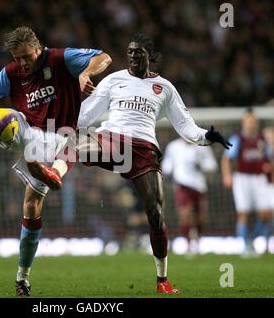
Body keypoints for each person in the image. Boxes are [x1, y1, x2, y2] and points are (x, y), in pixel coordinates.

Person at [28, 33, 232, 294]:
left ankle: (162, 280)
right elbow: (86, 113)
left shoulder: (165, 87)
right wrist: (53, 124)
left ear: (150, 55)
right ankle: (54, 173)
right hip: (112, 139)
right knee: (78, 140)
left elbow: (185, 125)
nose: (133, 56)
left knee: (156, 215)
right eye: (130, 52)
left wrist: (207, 137)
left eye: (139, 52)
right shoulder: (114, 80)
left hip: (144, 150)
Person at [0, 26, 112, 297]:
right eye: (17, 58)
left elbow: (104, 57)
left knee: (31, 206)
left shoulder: (62, 59)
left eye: (26, 56)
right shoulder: (13, 73)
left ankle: (22, 278)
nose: (22, 63)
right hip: (27, 130)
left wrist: (85, 73)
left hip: (59, 137)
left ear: (38, 49)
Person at [221, 108, 272, 256]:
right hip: (242, 178)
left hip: (260, 178)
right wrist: (227, 175)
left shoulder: (263, 138)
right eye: (249, 120)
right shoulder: (237, 139)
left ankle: (251, 238)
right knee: (243, 213)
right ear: (244, 123)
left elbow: (269, 157)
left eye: (253, 121)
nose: (251, 123)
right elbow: (226, 158)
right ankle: (245, 246)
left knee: (265, 213)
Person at [162, 138, 218, 254]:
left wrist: (203, 166)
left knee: (200, 216)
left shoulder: (202, 146)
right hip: (182, 184)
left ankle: (197, 239)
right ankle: (187, 243)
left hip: (199, 185)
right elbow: (167, 165)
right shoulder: (173, 147)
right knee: (185, 214)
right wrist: (167, 171)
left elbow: (212, 165)